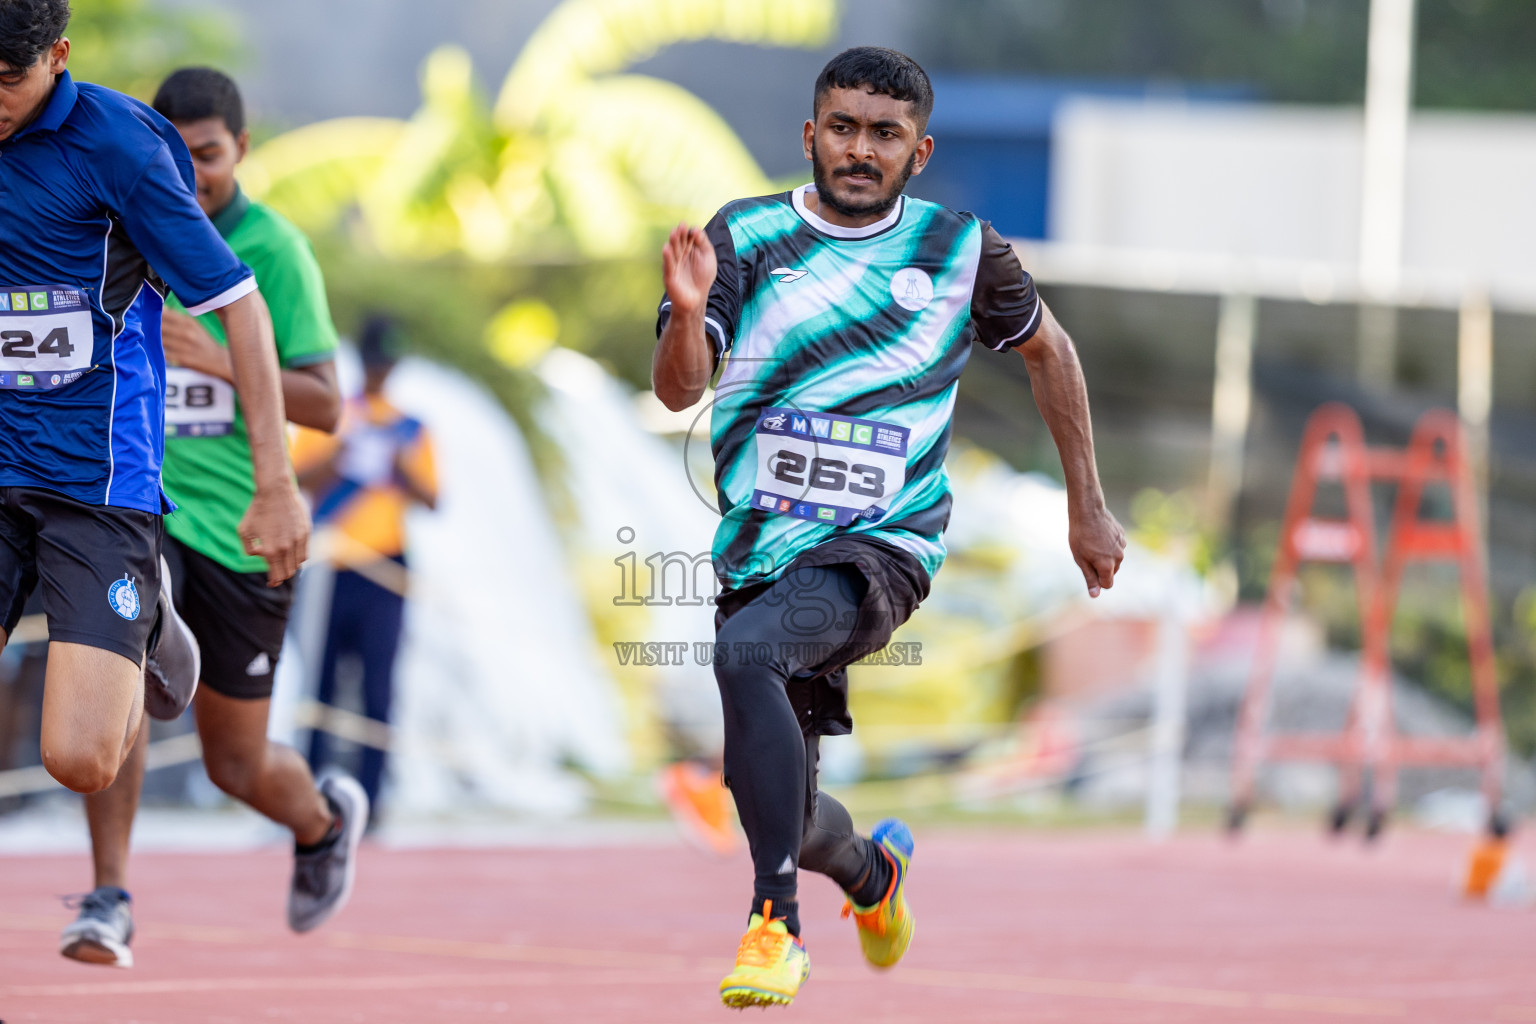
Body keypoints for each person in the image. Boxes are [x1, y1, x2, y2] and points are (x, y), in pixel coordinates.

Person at [652, 47, 1126, 1008]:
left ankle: (772, 928)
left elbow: (1052, 353)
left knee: (747, 658)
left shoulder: (962, 252)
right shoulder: (743, 236)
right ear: (809, 135)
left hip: (881, 548)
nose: (859, 150)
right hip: (758, 549)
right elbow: (678, 391)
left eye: (884, 135)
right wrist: (688, 315)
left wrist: (1088, 504)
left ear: (919, 149)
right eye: (842, 128)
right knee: (782, 810)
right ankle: (871, 875)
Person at [58, 67, 368, 968]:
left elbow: (327, 405)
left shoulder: (273, 250)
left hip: (238, 524)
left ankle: (319, 821)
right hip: (136, 507)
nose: (191, 179)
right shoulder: (117, 222)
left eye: (211, 157)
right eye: (177, 156)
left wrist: (219, 357)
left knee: (236, 765)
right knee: (110, 707)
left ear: (243, 149)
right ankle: (107, 895)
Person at [1, 4, 306, 796]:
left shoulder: (120, 146)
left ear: (57, 56)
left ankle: (146, 626)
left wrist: (276, 487)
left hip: (96, 479)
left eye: (6, 80)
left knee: (81, 761)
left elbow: (241, 305)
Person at [293, 317, 437, 817]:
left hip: (387, 564)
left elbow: (435, 498)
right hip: (330, 564)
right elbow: (296, 477)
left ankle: (373, 801)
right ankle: (308, 797)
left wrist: (397, 465)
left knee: (379, 686)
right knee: (321, 685)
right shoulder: (334, 415)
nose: (381, 372)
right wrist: (344, 454)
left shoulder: (411, 425)